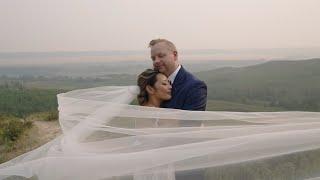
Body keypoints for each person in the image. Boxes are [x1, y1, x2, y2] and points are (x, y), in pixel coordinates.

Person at [148, 39, 207, 111]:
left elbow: (193, 121)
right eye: (153, 58)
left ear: (175, 55)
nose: (156, 61)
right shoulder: (152, 82)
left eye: (161, 56)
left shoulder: (195, 87)